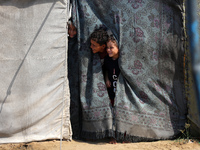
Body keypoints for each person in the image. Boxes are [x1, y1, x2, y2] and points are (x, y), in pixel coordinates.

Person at [104, 34, 120, 108]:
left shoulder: (121, 61)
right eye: (107, 48)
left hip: (120, 93)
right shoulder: (107, 59)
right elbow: (106, 69)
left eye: (111, 48)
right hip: (111, 92)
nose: (108, 50)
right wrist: (107, 79)